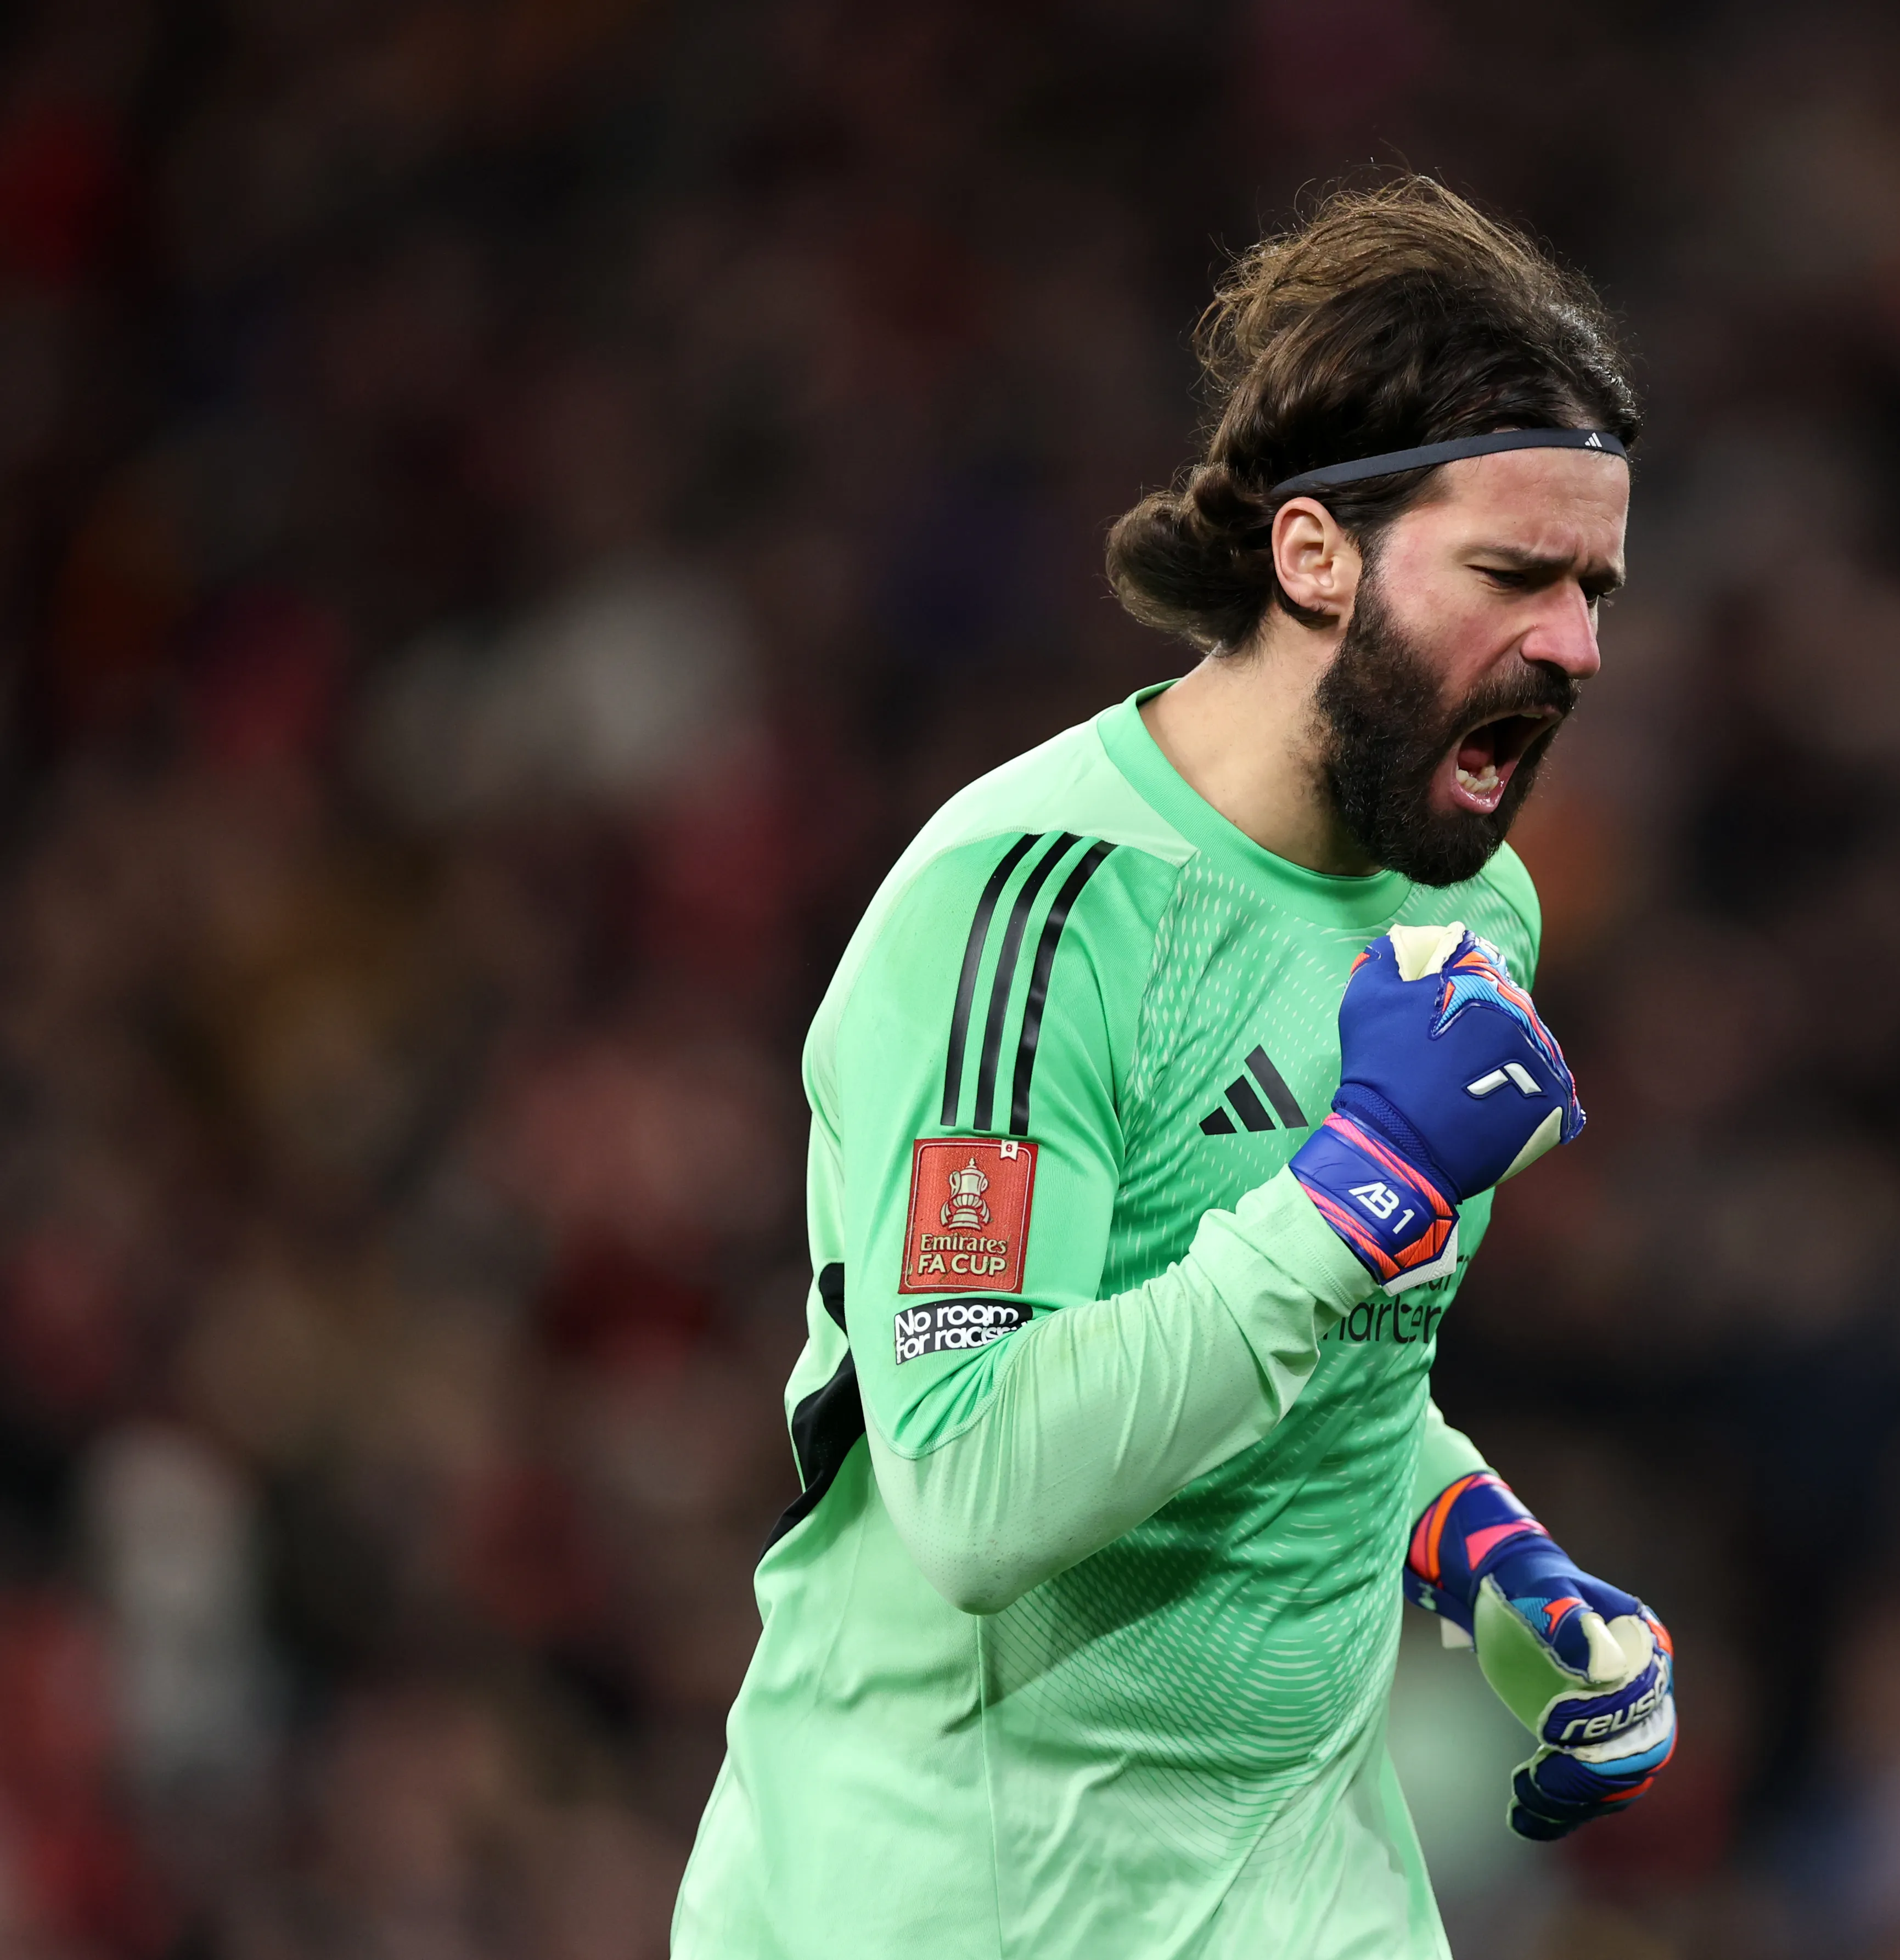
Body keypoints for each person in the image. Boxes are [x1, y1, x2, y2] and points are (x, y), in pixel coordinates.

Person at [671, 178, 1674, 1960]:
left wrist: (1475, 1544)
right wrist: (1359, 1188)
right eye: (1517, 575)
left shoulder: (1473, 907)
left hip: (1297, 1879)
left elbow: (1312, 1367)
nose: (1578, 646)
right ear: (1315, 558)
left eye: (1595, 587)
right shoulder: (1031, 917)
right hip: (961, 1898)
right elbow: (975, 1485)